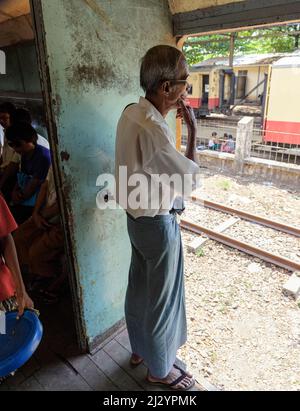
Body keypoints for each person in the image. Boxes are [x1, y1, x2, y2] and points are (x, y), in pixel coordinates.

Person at [115, 45, 200, 390]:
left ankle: (138, 350)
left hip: (135, 221)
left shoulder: (131, 113)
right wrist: (192, 131)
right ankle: (159, 370)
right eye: (185, 83)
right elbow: (188, 180)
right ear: (166, 88)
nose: (185, 91)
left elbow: (150, 166)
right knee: (163, 300)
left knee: (138, 288)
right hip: (157, 225)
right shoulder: (153, 128)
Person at [14, 166, 65, 304]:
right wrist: (36, 213)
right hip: (44, 214)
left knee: (35, 253)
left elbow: (64, 202)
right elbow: (45, 185)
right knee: (19, 237)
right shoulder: (54, 162)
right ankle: (35, 272)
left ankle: (52, 279)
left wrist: (42, 215)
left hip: (61, 223)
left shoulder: (70, 165)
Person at [5, 122, 51, 224]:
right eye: (11, 145)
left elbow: (33, 186)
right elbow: (22, 176)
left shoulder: (43, 157)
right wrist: (15, 191)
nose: (15, 149)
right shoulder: (25, 153)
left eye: (18, 144)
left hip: (36, 200)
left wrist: (18, 198)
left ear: (30, 140)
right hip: (25, 194)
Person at [0, 102, 20, 202]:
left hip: (12, 176)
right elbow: (4, 154)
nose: (1, 121)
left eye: (4, 118)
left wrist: (1, 183)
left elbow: (13, 165)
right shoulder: (6, 132)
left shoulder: (16, 135)